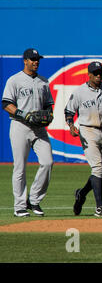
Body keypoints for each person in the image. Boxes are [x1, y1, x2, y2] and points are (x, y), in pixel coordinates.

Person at [65, 61, 102, 217]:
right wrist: (71, 126)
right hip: (87, 130)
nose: (99, 75)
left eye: (100, 72)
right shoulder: (80, 92)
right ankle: (100, 208)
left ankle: (81, 194)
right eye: (96, 73)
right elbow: (69, 111)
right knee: (97, 168)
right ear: (89, 74)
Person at [2, 48, 54, 217]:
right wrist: (25, 115)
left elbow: (48, 106)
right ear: (25, 60)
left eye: (37, 59)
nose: (36, 61)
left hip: (39, 128)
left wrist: (49, 115)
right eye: (32, 59)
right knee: (20, 167)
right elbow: (6, 104)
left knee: (47, 162)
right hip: (20, 126)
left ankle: (34, 200)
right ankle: (19, 206)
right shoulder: (14, 80)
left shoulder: (43, 82)